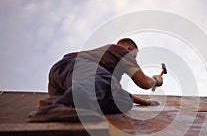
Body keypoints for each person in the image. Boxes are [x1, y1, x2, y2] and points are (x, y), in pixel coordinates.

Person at [28, 38, 163, 122]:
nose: (134, 60)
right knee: (108, 83)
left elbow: (114, 90)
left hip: (66, 83)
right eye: (135, 56)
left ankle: (57, 105)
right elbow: (144, 82)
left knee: (123, 100)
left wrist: (145, 102)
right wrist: (155, 80)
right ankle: (57, 107)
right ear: (128, 49)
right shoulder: (119, 51)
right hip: (72, 66)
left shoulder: (106, 71)